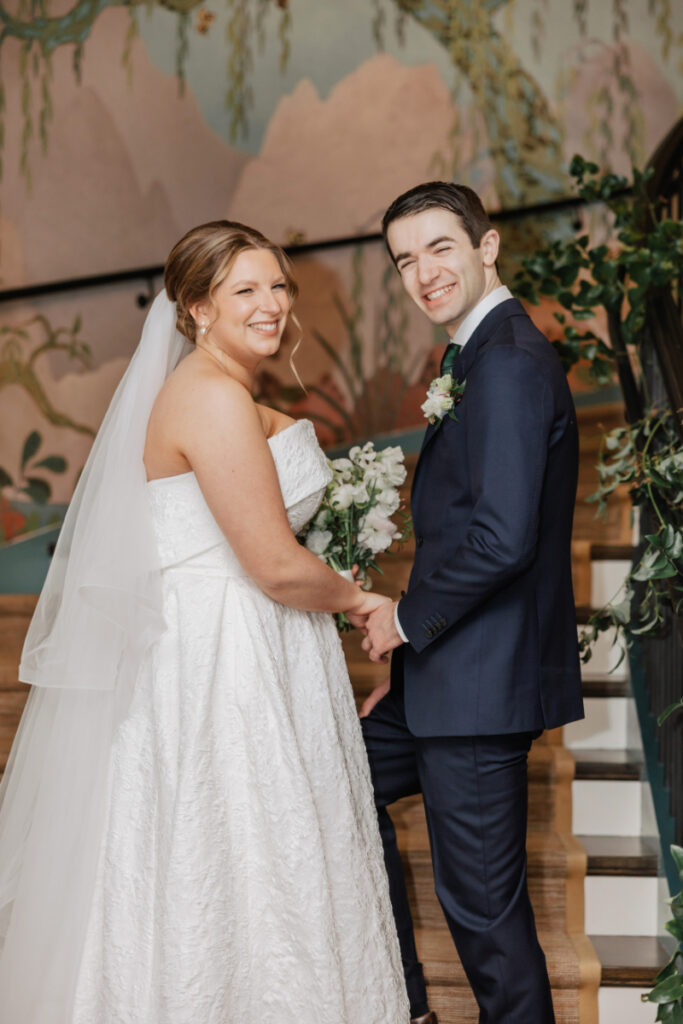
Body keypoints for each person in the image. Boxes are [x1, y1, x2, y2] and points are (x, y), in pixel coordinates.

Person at [0, 221, 410, 1024]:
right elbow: (274, 564)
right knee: (239, 850)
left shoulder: (225, 392)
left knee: (263, 852)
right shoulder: (213, 398)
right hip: (225, 659)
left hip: (253, 640)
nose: (271, 306)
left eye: (278, 286)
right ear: (195, 309)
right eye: (244, 291)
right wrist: (363, 602)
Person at [358, 182, 585, 1024]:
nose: (423, 273)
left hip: (481, 693)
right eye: (405, 259)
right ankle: (404, 1001)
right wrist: (412, 670)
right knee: (333, 781)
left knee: (485, 920)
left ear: (485, 247)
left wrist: (404, 622)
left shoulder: (510, 363)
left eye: (440, 248)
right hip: (440, 682)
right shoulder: (470, 357)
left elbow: (499, 539)